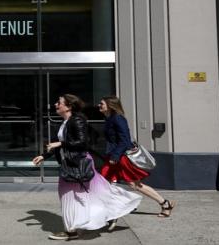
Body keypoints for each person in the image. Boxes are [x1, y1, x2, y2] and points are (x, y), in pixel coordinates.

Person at [33, 94, 142, 240]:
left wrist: (61, 143)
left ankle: (71, 231)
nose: (55, 105)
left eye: (59, 103)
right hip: (70, 164)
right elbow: (59, 144)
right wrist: (44, 156)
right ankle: (108, 213)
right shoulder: (65, 122)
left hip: (78, 164)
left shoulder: (77, 120)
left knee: (73, 196)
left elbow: (82, 143)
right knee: (94, 193)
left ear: (69, 106)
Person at [98, 95, 175, 218]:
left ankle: (164, 203)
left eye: (101, 104)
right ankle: (117, 206)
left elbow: (125, 140)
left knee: (134, 184)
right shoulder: (109, 119)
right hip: (113, 156)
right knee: (104, 180)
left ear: (110, 106)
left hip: (120, 157)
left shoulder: (118, 119)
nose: (99, 105)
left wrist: (116, 156)